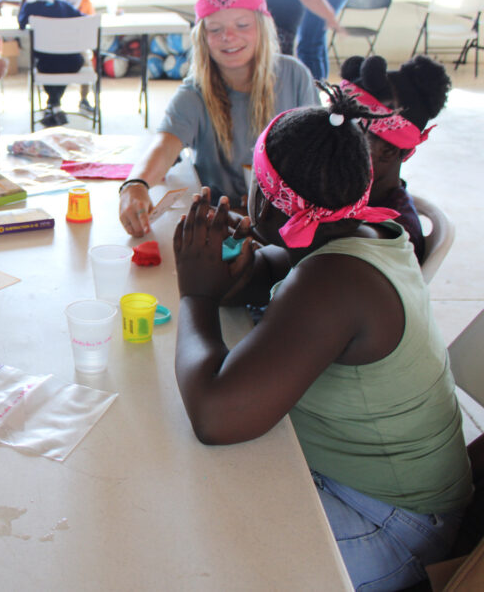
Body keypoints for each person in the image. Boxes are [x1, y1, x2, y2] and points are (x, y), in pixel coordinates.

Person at [172, 87, 472, 591]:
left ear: (265, 201)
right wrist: (228, 266)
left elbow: (215, 416)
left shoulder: (333, 282)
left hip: (392, 523)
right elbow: (269, 268)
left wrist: (195, 295)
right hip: (388, 491)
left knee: (198, 548)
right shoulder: (354, 231)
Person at [119, 0, 316, 237]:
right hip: (224, 224)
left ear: (262, 26)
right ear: (202, 36)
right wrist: (135, 184)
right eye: (215, 29)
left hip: (291, 222)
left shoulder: (295, 75)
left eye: (243, 24)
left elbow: (318, 151)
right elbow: (165, 145)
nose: (228, 37)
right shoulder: (195, 92)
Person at [339, 54, 451, 264]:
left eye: (349, 133)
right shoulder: (349, 196)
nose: (333, 141)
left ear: (388, 150)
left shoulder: (394, 234)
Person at [18, 0, 84, 127]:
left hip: (46, 64)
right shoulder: (63, 6)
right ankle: (54, 105)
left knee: (46, 63)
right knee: (71, 62)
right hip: (72, 61)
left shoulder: (31, 7)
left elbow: (21, 23)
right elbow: (85, 19)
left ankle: (52, 104)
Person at [56, 0, 97, 115]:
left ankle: (84, 99)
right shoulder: (54, 0)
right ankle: (54, 101)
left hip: (78, 47)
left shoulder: (85, 3)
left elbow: (90, 27)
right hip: (56, 47)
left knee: (87, 62)